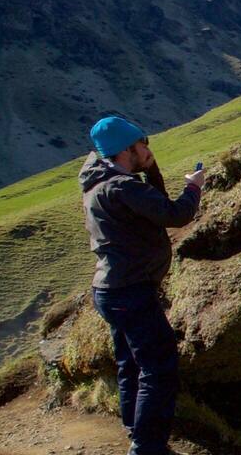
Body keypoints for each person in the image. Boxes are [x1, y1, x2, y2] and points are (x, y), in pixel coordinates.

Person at [79, 116, 204, 455]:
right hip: (131, 291)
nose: (148, 149)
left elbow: (154, 207)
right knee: (159, 367)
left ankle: (137, 431)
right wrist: (194, 187)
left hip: (111, 290)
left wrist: (151, 169)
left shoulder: (101, 183)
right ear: (126, 150)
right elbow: (174, 215)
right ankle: (147, 448)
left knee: (131, 363)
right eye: (142, 144)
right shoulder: (123, 187)